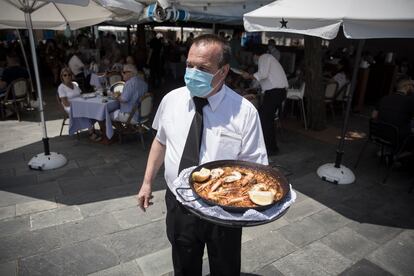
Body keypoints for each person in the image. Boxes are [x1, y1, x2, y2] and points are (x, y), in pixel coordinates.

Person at [137, 34, 268, 275]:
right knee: (184, 265)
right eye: (189, 65)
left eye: (203, 68)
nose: (193, 72)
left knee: (225, 266)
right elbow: (160, 142)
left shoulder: (244, 112)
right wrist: (147, 183)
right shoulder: (171, 100)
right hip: (179, 203)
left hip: (223, 210)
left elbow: (254, 168)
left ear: (223, 71)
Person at [242, 47, 288, 155]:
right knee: (267, 119)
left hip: (275, 92)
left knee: (264, 119)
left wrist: (249, 76)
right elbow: (264, 78)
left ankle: (270, 148)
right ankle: (271, 147)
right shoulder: (269, 58)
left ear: (255, 55)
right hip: (276, 92)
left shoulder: (265, 57)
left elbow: (263, 74)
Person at [372, 78, 414, 146]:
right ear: (407, 86)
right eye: (412, 86)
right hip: (397, 136)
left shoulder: (384, 98)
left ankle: (387, 150)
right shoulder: (409, 102)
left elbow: (374, 116)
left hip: (378, 133)